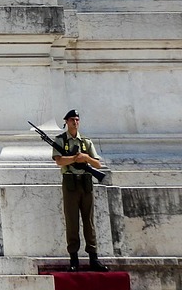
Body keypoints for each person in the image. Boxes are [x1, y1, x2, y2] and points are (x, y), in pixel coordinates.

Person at [53, 109, 108, 272]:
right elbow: (59, 161)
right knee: (72, 222)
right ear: (66, 122)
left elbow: (98, 164)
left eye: (77, 120)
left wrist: (86, 159)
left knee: (89, 222)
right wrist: (75, 159)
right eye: (71, 120)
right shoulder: (60, 141)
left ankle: (93, 257)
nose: (75, 122)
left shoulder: (86, 142)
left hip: (86, 183)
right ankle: (74, 259)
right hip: (70, 183)